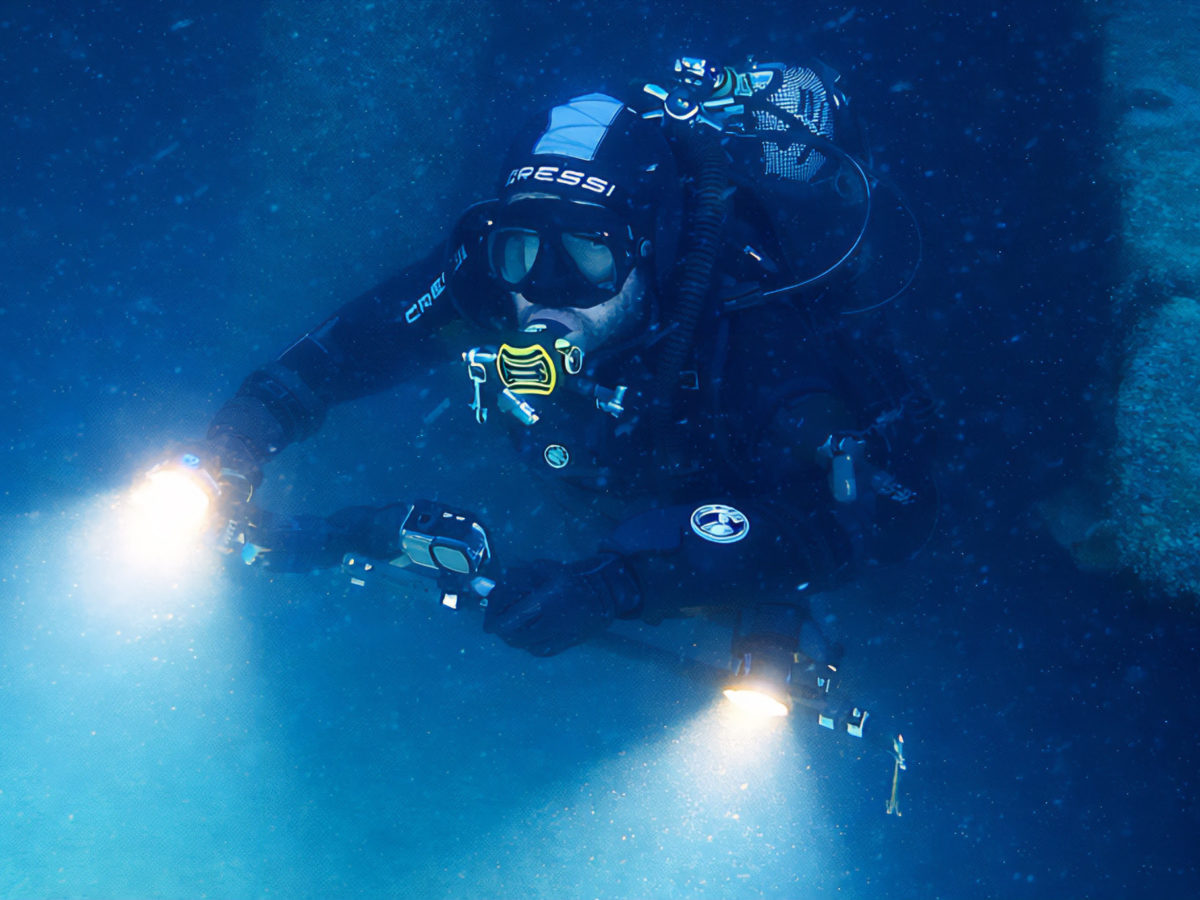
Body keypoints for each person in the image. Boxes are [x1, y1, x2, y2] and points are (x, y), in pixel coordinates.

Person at [189, 56, 936, 696]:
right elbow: (340, 354)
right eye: (522, 249)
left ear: (648, 251)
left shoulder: (750, 332)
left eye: (588, 253)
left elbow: (873, 515)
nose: (546, 287)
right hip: (606, 483)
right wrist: (235, 446)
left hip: (722, 506)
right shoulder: (491, 281)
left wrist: (622, 583)